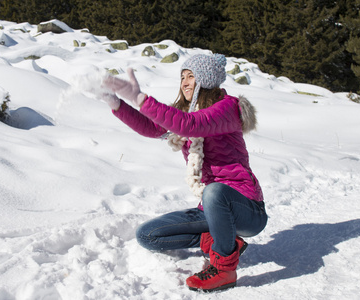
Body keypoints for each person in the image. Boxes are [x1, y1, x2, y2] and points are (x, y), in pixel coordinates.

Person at [99, 53, 268, 292]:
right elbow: (152, 128)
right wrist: (116, 103)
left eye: (192, 77)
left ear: (207, 80)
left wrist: (140, 98)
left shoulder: (227, 108)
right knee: (148, 235)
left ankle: (224, 269)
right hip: (211, 208)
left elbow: (189, 125)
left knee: (214, 191)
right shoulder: (185, 113)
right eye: (182, 77)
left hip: (247, 209)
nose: (185, 82)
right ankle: (222, 240)